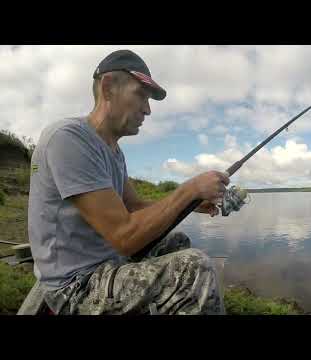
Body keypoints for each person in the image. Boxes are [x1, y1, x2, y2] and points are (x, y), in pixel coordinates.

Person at [28, 49, 229, 315]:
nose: (147, 109)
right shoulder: (68, 139)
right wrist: (189, 189)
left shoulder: (113, 151)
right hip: (75, 285)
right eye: (141, 95)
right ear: (108, 87)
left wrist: (190, 204)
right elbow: (124, 237)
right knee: (194, 268)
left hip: (105, 263)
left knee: (176, 242)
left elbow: (134, 207)